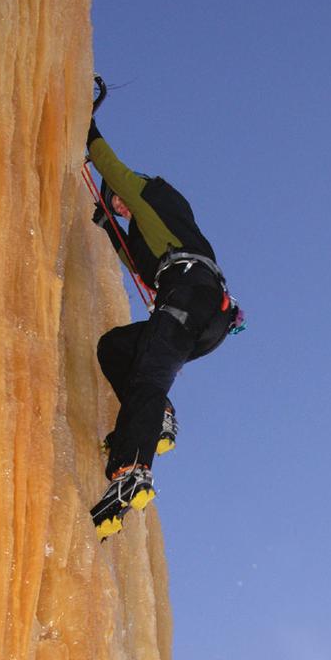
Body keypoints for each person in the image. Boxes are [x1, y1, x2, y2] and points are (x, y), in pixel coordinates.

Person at [86, 98, 242, 540]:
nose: (118, 207)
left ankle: (132, 469)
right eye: (116, 208)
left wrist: (90, 136)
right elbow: (137, 264)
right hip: (201, 319)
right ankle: (160, 418)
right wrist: (107, 224)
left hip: (191, 295)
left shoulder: (156, 198)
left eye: (118, 202)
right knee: (115, 347)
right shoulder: (149, 239)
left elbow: (116, 174)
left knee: (148, 381)